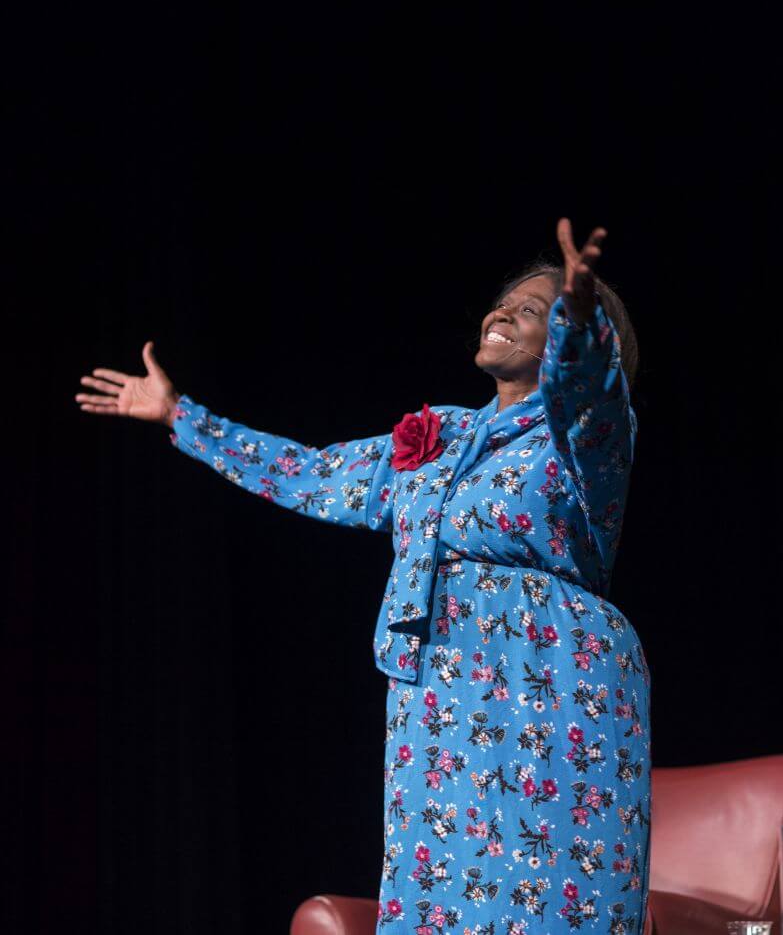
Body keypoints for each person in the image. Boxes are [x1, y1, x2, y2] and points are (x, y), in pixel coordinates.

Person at [76, 218, 651, 933]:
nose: (503, 312)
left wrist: (585, 320)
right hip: (444, 696)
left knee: (553, 898)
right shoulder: (438, 437)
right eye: (503, 302)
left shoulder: (587, 442)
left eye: (534, 309)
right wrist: (182, 416)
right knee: (443, 895)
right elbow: (314, 473)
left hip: (553, 685)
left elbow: (594, 403)